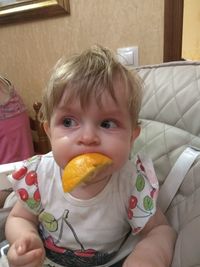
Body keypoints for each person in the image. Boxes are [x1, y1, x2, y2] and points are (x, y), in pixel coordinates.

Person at [5, 45, 176, 267]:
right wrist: (24, 240)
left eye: (107, 123)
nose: (87, 137)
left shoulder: (132, 183)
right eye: (68, 122)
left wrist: (147, 256)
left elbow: (161, 230)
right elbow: (19, 218)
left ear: (131, 138)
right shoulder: (39, 177)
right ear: (49, 132)